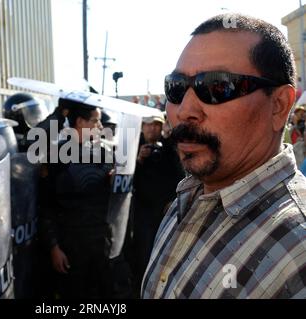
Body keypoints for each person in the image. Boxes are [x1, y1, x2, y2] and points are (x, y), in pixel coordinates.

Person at [142, 14, 305, 299]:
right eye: (176, 87)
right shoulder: (186, 199)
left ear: (279, 105)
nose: (185, 110)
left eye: (217, 87)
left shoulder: (298, 248)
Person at [38, 100, 114, 299]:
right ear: (80, 122)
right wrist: (54, 247)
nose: (100, 127)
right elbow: (46, 204)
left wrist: (112, 181)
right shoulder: (56, 156)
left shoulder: (104, 154)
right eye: (95, 121)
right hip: (71, 246)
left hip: (100, 244)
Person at [128, 111, 184, 296]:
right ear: (142, 126)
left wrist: (172, 200)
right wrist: (138, 160)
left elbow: (179, 175)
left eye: (156, 124)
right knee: (142, 255)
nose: (152, 128)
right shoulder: (131, 145)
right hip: (142, 213)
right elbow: (124, 181)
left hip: (166, 211)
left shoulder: (169, 147)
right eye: (148, 124)